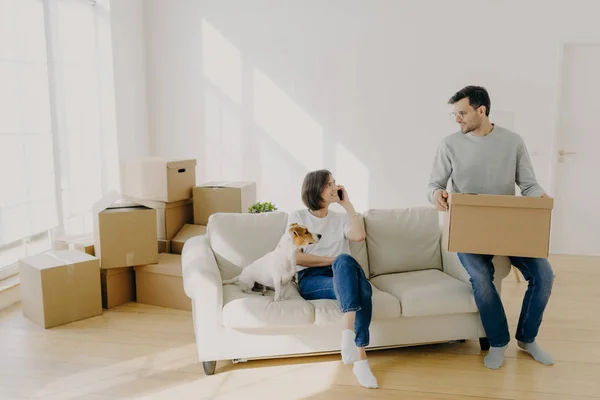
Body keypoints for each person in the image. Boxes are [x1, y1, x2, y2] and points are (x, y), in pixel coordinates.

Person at [427, 85, 555, 370]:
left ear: (481, 110)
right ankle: (498, 342)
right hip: (468, 230)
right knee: (482, 278)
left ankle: (527, 338)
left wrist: (540, 196)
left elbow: (529, 184)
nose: (457, 119)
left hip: (508, 228)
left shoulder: (513, 141)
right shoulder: (449, 144)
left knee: (544, 275)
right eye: (455, 114)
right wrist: (437, 195)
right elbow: (434, 185)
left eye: (462, 113)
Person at [288, 169, 378, 389]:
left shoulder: (340, 218)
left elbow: (359, 236)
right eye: (329, 184)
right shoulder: (298, 217)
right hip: (312, 278)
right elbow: (297, 256)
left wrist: (348, 206)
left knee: (346, 262)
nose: (335, 187)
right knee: (361, 287)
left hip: (342, 272)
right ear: (316, 188)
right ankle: (361, 359)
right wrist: (332, 260)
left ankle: (350, 339)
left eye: (334, 183)